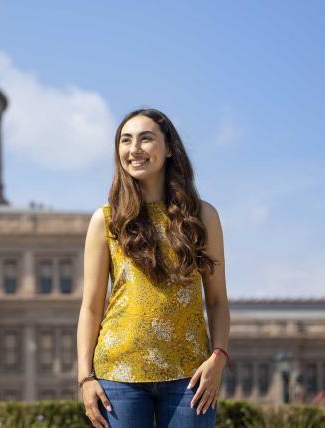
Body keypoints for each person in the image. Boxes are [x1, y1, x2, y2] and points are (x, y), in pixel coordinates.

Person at [76, 108, 232, 427]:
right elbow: (91, 307)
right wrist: (85, 378)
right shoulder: (105, 221)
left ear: (170, 147)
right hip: (118, 376)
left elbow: (217, 301)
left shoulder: (203, 217)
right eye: (125, 140)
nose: (134, 149)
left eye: (146, 139)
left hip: (190, 377)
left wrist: (218, 358)